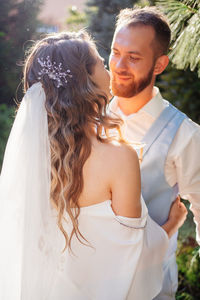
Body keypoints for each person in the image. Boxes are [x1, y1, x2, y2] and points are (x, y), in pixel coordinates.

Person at [0, 30, 187, 300]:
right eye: (100, 61)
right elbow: (133, 256)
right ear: (84, 79)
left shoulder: (33, 160)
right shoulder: (119, 158)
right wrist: (173, 224)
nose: (109, 67)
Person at [108, 6, 200, 300]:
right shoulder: (90, 118)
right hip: (89, 285)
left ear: (159, 65)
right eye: (115, 52)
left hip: (150, 288)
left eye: (134, 58)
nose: (119, 65)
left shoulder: (184, 134)